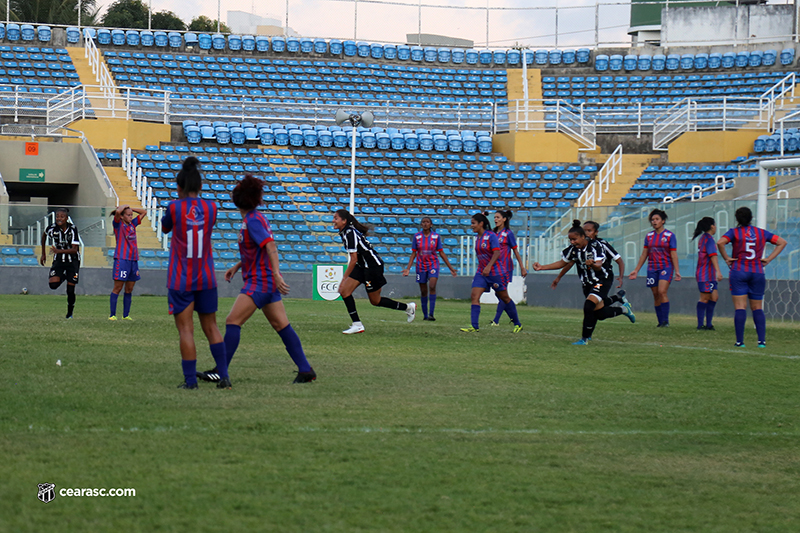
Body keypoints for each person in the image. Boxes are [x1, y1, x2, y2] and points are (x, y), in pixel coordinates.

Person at [197, 175, 316, 384]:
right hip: (265, 281)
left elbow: (270, 247)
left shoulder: (252, 220)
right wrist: (238, 265)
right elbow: (258, 249)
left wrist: (277, 273)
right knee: (281, 325)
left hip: (260, 281)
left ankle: (219, 370)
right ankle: (306, 370)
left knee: (233, 321)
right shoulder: (254, 218)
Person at [161, 157, 230, 390]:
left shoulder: (173, 207)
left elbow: (165, 228)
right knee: (211, 327)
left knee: (186, 329)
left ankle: (190, 381)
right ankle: (224, 377)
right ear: (200, 187)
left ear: (178, 188)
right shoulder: (211, 207)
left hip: (181, 278)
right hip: (207, 276)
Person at [534, 220, 635, 345]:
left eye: (574, 239)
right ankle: (623, 308)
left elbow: (599, 265)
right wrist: (542, 267)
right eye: (570, 240)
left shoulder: (597, 246)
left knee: (588, 305)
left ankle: (584, 339)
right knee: (600, 313)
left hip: (602, 280)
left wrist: (593, 264)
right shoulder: (573, 249)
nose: (572, 242)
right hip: (587, 283)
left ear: (583, 237)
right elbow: (563, 263)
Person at [334, 209, 416, 334]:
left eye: (336, 218)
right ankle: (357, 324)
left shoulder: (350, 233)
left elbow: (353, 258)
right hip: (362, 266)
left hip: (372, 267)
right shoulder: (345, 232)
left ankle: (408, 307)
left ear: (344, 221)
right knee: (344, 292)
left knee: (375, 301)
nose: (333, 221)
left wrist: (344, 278)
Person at [717, 207, 787, 348]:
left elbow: (720, 242)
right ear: (751, 218)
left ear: (737, 219)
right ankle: (761, 341)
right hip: (757, 271)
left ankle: (740, 342)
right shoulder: (761, 232)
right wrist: (768, 259)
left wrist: (726, 258)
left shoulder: (734, 232)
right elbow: (782, 242)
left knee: (740, 307)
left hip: (739, 271)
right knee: (757, 307)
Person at [460, 213, 522, 333]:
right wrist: (484, 268)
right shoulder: (478, 238)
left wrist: (488, 267)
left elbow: (497, 253)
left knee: (504, 297)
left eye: (473, 223)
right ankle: (474, 326)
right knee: (474, 296)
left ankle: (517, 323)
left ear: (481, 224)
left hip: (495, 272)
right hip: (482, 272)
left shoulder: (491, 236)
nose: (471, 226)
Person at [551, 220, 628, 309]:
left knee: (591, 306)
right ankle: (620, 302)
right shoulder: (579, 246)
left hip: (602, 278)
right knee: (598, 311)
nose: (586, 233)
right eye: (584, 231)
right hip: (587, 281)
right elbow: (569, 263)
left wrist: (621, 277)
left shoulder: (602, 244)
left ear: (596, 232)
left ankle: (619, 302)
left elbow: (619, 260)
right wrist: (559, 277)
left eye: (589, 231)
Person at [629, 208, 681, 327]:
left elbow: (673, 254)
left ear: (663, 221)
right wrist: (636, 270)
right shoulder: (649, 236)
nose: (654, 222)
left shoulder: (669, 235)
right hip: (652, 268)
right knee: (656, 294)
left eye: (657, 219)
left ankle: (665, 321)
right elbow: (644, 254)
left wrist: (677, 271)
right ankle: (660, 321)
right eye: (652, 220)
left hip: (665, 267)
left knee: (662, 291)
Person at [401, 216, 457, 321]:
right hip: (420, 266)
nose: (425, 224)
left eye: (427, 222)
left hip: (433, 264)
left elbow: (441, 252)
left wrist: (451, 268)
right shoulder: (417, 237)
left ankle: (431, 314)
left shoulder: (436, 237)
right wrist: (408, 268)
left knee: (432, 286)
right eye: (423, 222)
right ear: (421, 224)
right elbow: (414, 253)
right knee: (423, 291)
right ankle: (425, 315)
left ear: (431, 224)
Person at [39, 207, 81, 319]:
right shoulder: (52, 228)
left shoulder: (72, 229)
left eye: (62, 216)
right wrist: (43, 253)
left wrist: (58, 251)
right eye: (57, 216)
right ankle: (64, 276)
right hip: (59, 260)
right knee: (53, 285)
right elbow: (44, 236)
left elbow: (74, 249)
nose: (59, 218)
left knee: (70, 290)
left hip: (73, 261)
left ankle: (70, 313)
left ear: (67, 218)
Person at [489, 210, 528, 327]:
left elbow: (515, 250)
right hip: (494, 268)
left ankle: (496, 320)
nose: (495, 219)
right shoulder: (492, 233)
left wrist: (522, 267)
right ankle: (512, 316)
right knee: (499, 294)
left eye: (498, 217)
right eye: (494, 217)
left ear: (504, 219)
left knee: (502, 293)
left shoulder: (508, 234)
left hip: (505, 267)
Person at [109, 204, 146, 321]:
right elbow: (118, 212)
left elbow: (144, 212)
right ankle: (112, 315)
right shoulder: (118, 225)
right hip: (122, 259)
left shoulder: (133, 225)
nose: (131, 217)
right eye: (128, 215)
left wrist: (131, 209)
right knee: (118, 287)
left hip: (133, 260)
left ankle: (126, 315)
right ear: (122, 217)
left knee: (129, 289)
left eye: (131, 215)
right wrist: (123, 207)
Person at [692, 217, 723, 331]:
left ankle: (709, 324)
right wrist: (718, 272)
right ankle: (701, 325)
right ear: (711, 226)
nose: (715, 227)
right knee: (704, 298)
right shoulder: (708, 239)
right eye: (714, 224)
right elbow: (713, 255)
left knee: (714, 297)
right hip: (704, 274)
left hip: (709, 274)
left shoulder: (704, 238)